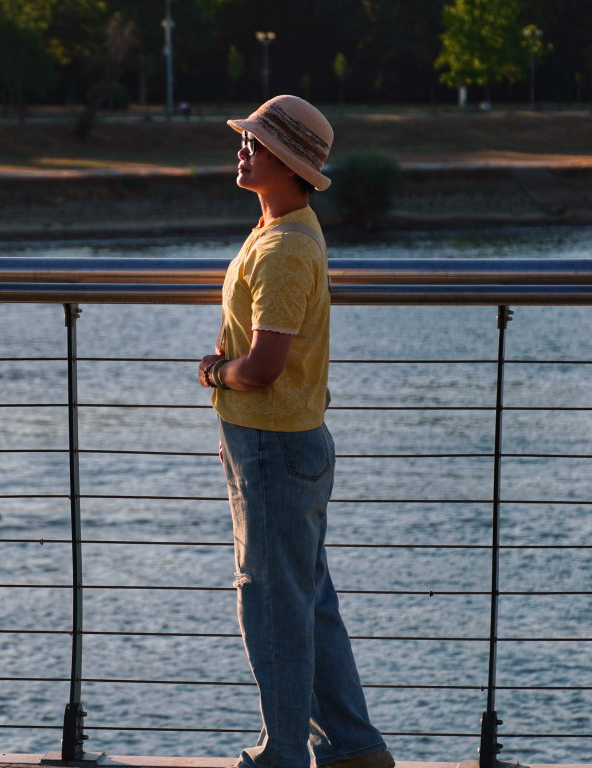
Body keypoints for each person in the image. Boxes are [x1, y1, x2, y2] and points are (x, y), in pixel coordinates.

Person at [197, 95, 393, 768]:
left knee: (273, 608)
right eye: (246, 139)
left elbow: (265, 366)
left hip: (274, 446)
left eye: (255, 143)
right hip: (281, 442)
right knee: (307, 605)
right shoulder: (284, 227)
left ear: (290, 163)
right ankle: (354, 747)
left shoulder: (282, 248)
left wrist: (216, 374)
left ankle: (282, 753)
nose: (242, 150)